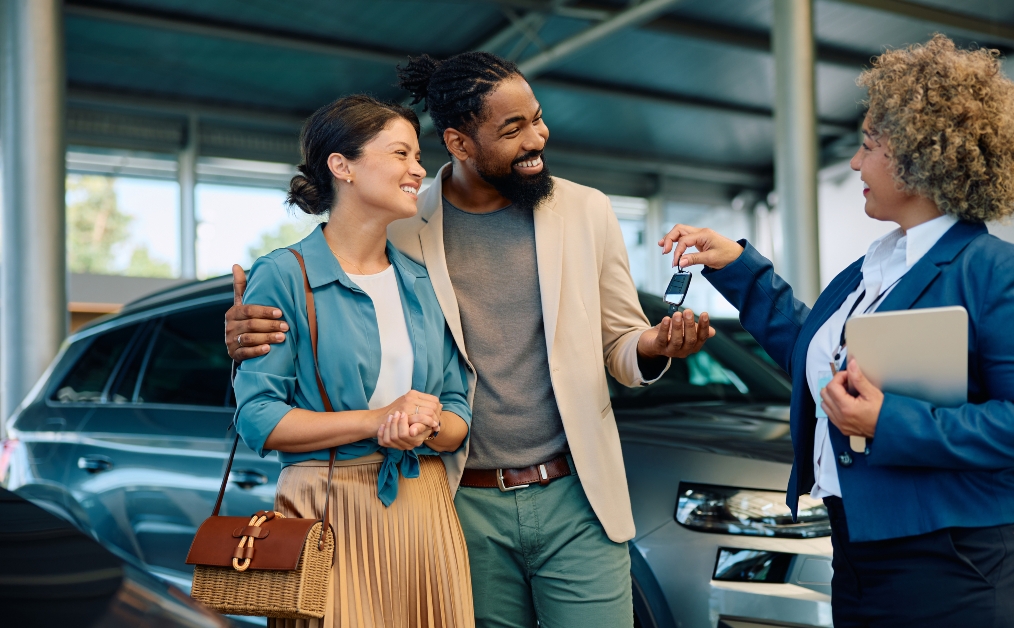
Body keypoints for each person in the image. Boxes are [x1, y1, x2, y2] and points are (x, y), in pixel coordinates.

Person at [224, 51, 714, 627]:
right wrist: (242, 329)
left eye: (537, 117)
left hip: (576, 493)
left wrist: (654, 347)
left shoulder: (587, 211)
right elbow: (331, 290)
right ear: (459, 143)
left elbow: (620, 343)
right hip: (456, 501)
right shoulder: (403, 224)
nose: (539, 136)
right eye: (513, 128)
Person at [660, 35, 1014, 626]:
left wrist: (886, 422)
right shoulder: (873, 267)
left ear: (919, 157)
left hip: (964, 561)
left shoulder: (1004, 272)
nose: (855, 163)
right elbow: (818, 359)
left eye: (869, 146)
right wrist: (737, 269)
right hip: (861, 551)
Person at [233, 95, 474, 627]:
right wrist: (378, 422)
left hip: (424, 512)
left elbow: (457, 412)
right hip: (326, 513)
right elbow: (259, 418)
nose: (418, 169)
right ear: (341, 166)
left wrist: (426, 425)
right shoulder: (284, 275)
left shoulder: (420, 279)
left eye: (418, 155)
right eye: (400, 154)